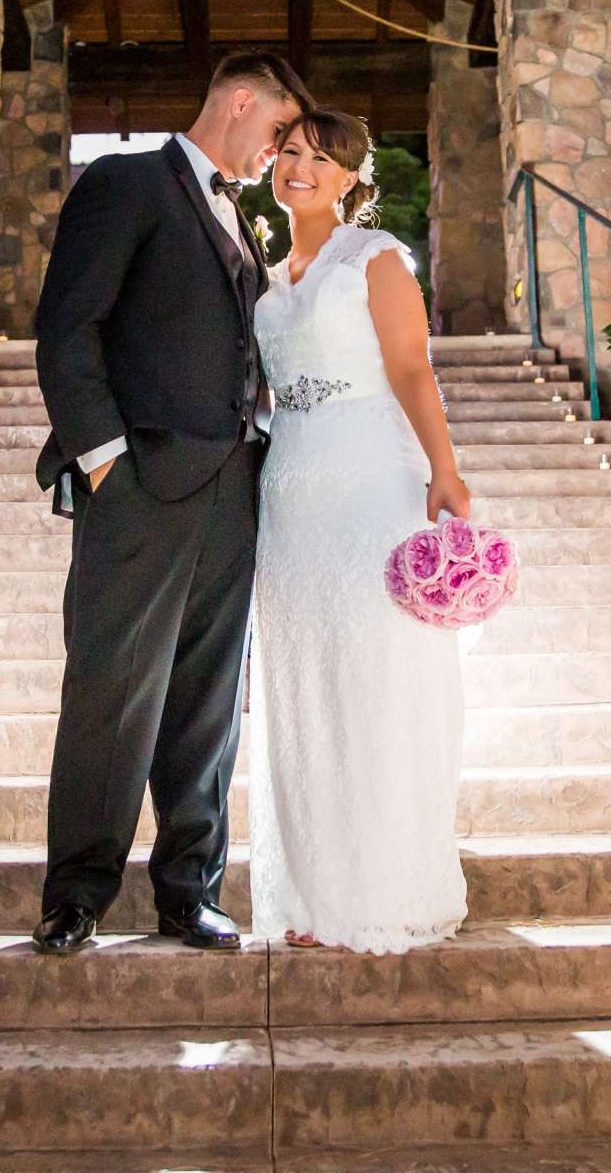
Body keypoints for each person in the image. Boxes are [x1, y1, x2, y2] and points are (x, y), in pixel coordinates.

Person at [28, 51, 308, 956]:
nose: (278, 154)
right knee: (110, 692)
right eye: (275, 132)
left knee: (209, 702)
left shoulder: (243, 217)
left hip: (234, 488)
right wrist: (105, 459)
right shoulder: (125, 183)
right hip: (140, 482)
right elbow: (69, 325)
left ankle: (190, 892)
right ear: (237, 101)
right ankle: (78, 895)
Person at [249, 107, 473, 953]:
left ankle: (382, 885)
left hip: (370, 479)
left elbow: (413, 368)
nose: (298, 168)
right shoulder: (268, 277)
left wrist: (442, 470)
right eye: (290, 154)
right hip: (290, 489)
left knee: (373, 677)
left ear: (350, 177)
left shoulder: (374, 259)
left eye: (318, 157)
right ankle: (315, 893)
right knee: (304, 682)